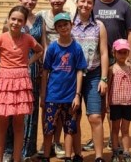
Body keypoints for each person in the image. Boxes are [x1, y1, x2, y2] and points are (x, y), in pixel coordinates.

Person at [0, 5, 44, 162]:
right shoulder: (1, 37)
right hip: (5, 80)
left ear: (24, 23)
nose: (16, 23)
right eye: (13, 19)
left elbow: (40, 50)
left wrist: (29, 62)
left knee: (19, 122)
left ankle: (17, 158)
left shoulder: (28, 38)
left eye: (19, 20)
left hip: (22, 79)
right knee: (2, 121)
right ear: (8, 19)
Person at [89, 0, 131, 153]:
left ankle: (112, 137)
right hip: (96, 58)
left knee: (115, 98)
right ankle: (98, 136)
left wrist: (130, 59)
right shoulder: (92, 5)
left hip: (119, 60)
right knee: (99, 99)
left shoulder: (124, 5)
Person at [0, 0, 45, 162]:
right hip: (12, 72)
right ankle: (8, 150)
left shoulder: (39, 20)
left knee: (30, 112)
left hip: (32, 71)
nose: (30, 2)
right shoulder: (13, 20)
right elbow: (3, 48)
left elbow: (42, 45)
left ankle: (28, 151)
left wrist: (35, 64)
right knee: (11, 111)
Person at [37, 12, 87, 162]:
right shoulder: (52, 48)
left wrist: (78, 95)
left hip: (70, 96)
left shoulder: (77, 48)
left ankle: (68, 156)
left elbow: (79, 71)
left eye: (66, 24)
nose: (63, 28)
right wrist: (43, 94)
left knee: (70, 128)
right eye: (60, 26)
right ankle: (46, 156)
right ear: (56, 29)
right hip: (53, 95)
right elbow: (45, 71)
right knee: (48, 129)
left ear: (71, 25)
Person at [71, 0, 109, 162]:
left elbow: (103, 53)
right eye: (82, 1)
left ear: (93, 5)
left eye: (89, 2)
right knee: (74, 115)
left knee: (95, 116)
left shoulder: (99, 26)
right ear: (77, 2)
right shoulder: (69, 25)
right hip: (72, 77)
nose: (85, 5)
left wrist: (103, 78)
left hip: (93, 75)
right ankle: (77, 153)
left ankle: (99, 156)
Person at [33, 0, 69, 158]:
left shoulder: (68, 16)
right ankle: (45, 141)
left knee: (61, 106)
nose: (56, 0)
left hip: (63, 69)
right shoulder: (41, 16)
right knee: (46, 105)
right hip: (45, 67)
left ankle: (57, 141)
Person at [107, 39, 131, 162]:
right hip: (115, 103)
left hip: (128, 103)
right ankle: (115, 152)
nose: (122, 55)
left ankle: (126, 152)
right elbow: (108, 87)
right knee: (114, 129)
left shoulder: (130, 68)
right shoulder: (111, 69)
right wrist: (106, 104)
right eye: (120, 52)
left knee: (125, 129)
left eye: (125, 52)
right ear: (114, 53)